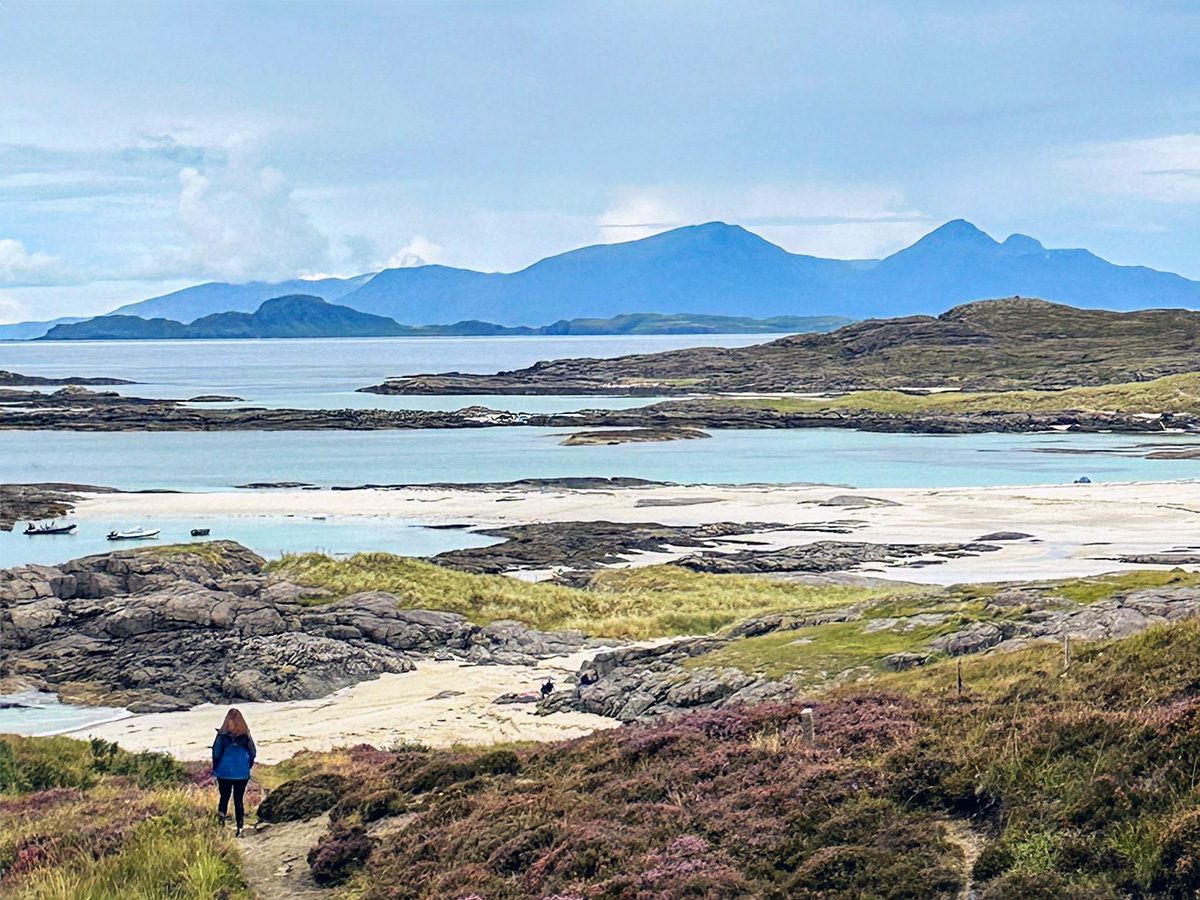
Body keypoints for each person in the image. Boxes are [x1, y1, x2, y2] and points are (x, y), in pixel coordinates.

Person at [212, 708, 256, 837]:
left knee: (224, 798)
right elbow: (253, 753)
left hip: (224, 771)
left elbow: (216, 752)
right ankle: (240, 828)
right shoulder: (246, 735)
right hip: (241, 771)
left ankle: (220, 828)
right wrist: (248, 765)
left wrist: (216, 767)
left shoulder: (222, 735)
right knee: (238, 799)